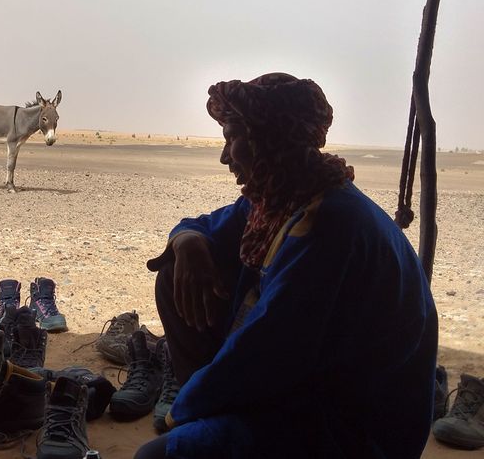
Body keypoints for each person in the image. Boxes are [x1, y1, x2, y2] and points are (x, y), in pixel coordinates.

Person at [135, 73, 438, 459]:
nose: (225, 156)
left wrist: (184, 411)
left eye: (232, 138)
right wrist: (188, 241)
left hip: (352, 428)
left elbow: (264, 350)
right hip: (313, 387)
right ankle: (208, 409)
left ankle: (201, 410)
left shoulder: (327, 225)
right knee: (175, 272)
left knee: (154, 455)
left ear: (268, 139)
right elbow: (205, 225)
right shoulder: (283, 195)